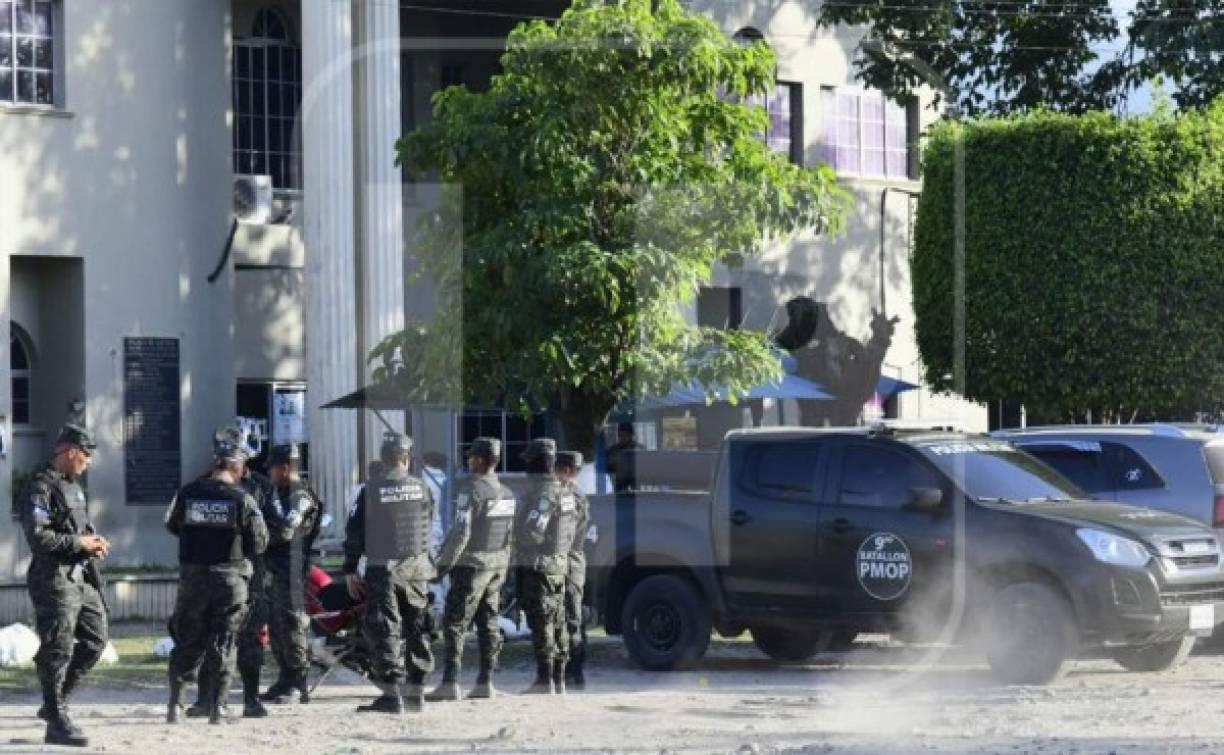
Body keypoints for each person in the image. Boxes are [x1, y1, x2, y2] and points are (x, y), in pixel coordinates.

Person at [164, 427, 269, 724]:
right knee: (224, 643)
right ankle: (218, 709)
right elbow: (259, 543)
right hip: (230, 581)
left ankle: (176, 706)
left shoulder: (187, 494)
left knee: (187, 643)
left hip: (193, 579)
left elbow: (173, 525)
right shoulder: (242, 500)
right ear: (236, 466)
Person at [17, 421, 108, 747]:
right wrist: (80, 544)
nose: (90, 462)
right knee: (58, 648)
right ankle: (56, 718)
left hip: (80, 577)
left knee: (96, 641)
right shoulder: (39, 486)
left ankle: (55, 702)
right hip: (53, 579)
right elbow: (39, 536)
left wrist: (94, 542)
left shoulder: (73, 486)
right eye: (86, 455)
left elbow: (78, 527)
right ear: (70, 452)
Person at [342, 432, 436, 714]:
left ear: (383, 459)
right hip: (417, 568)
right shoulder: (422, 488)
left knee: (386, 630)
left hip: (383, 570)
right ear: (406, 459)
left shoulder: (370, 490)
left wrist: (349, 568)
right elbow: (426, 524)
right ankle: (417, 691)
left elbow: (354, 532)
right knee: (418, 627)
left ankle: (392, 694)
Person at [426, 438, 516, 702]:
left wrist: (441, 568)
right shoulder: (508, 494)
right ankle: (485, 682)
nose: (468, 461)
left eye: (471, 457)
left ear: (479, 460)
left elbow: (461, 533)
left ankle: (450, 683)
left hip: (472, 566)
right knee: (488, 623)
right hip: (496, 564)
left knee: (454, 622)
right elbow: (509, 536)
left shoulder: (471, 491)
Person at [187, 456, 275, 720]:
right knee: (208, 635)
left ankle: (251, 698)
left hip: (250, 571)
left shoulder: (261, 487)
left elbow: (266, 532)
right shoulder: (202, 485)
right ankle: (205, 699)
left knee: (250, 638)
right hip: (209, 572)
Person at [514, 437, 579, 695]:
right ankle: (559, 678)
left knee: (542, 622)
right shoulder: (566, 492)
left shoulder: (543, 494)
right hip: (559, 565)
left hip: (539, 567)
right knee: (558, 621)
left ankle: (545, 681)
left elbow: (532, 533)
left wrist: (514, 535)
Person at [260, 444, 321, 704]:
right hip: (274, 568)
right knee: (276, 625)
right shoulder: (274, 493)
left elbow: (286, 530)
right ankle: (285, 677)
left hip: (293, 570)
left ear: (285, 468)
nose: (269, 473)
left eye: (272, 468)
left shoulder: (301, 496)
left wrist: (260, 534)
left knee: (294, 626)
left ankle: (299, 682)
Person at [556, 451, 595, 690]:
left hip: (568, 559)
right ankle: (572, 670)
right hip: (575, 560)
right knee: (573, 617)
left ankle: (573, 670)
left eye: (556, 469)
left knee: (570, 618)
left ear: (567, 470)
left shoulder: (569, 496)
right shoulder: (578, 495)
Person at [605, 422, 643, 492]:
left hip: (636, 487)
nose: (622, 438)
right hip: (619, 486)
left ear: (631, 435)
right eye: (620, 435)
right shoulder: (613, 450)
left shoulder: (639, 449)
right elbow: (608, 469)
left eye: (625, 435)